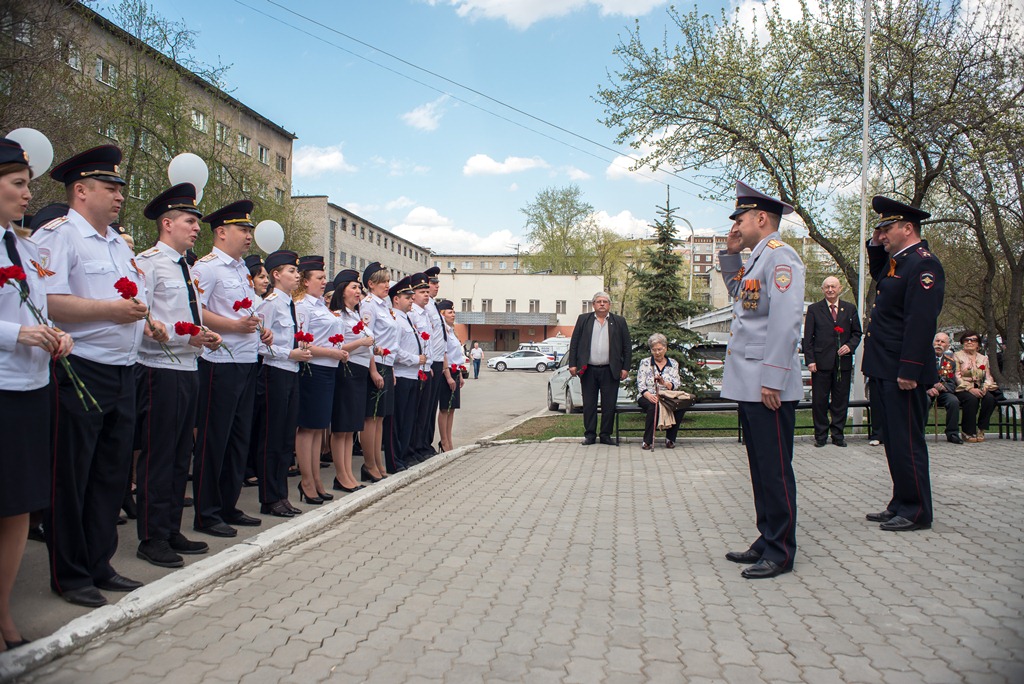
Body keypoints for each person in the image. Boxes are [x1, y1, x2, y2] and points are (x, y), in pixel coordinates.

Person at [37, 145, 160, 607]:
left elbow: (133, 305)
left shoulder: (117, 245)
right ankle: (70, 574)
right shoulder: (58, 236)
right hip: (80, 368)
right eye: (109, 188)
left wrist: (145, 320)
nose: (118, 196)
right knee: (72, 476)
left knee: (109, 474)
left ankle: (99, 562)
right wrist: (111, 310)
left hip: (124, 369)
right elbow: (47, 301)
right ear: (81, 190)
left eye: (120, 189)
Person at [0, 138, 75, 648]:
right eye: (18, 184)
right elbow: (17, 324)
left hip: (32, 385)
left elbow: (40, 311)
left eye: (28, 185)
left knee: (19, 505)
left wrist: (57, 334)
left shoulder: (29, 250)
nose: (28, 194)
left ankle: (3, 611)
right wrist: (16, 334)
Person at [718, 180, 805, 580]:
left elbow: (786, 323)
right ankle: (766, 536)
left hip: (767, 384)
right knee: (759, 465)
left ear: (760, 218)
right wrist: (731, 255)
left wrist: (772, 379)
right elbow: (741, 297)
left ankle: (781, 549)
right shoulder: (756, 259)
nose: (735, 225)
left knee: (774, 468)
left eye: (740, 218)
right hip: (751, 381)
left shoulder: (781, 258)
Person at [133, 183, 220, 568]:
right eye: (189, 221)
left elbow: (188, 315)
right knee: (159, 455)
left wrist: (206, 334)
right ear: (167, 224)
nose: (196, 227)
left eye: (197, 221)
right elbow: (141, 316)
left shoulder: (186, 266)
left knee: (179, 455)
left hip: (188, 366)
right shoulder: (149, 262)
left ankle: (170, 529)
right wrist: (168, 331)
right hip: (159, 369)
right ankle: (151, 537)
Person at [862, 195, 944, 532]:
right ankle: (900, 502)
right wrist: (875, 242)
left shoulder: (923, 264)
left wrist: (910, 369)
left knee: (908, 440)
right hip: (885, 366)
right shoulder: (899, 262)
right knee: (893, 439)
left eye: (887, 227)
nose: (883, 234)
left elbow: (920, 321)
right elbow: (880, 273)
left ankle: (917, 510)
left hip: (902, 370)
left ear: (907, 228)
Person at [191, 200, 272, 538]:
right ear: (221, 232)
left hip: (245, 360)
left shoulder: (241, 269)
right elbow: (196, 310)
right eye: (243, 229)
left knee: (239, 439)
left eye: (251, 229)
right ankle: (207, 513)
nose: (249, 235)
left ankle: (228, 504)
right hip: (218, 362)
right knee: (215, 440)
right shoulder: (206, 268)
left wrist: (260, 327)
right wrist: (231, 326)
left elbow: (249, 310)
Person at [253, 250, 311, 517]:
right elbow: (260, 346)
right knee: (272, 438)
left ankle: (281, 496)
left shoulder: (290, 304)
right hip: (274, 373)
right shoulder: (270, 303)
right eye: (291, 271)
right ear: (276, 275)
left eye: (297, 271)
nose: (297, 275)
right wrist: (290, 353)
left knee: (286, 437)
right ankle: (269, 497)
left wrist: (299, 348)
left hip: (291, 372)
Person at [293, 255, 347, 504]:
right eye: (319, 278)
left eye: (325, 277)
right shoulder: (303, 306)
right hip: (313, 370)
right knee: (308, 428)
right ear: (305, 281)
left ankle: (315, 478)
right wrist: (333, 352)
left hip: (327, 370)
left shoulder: (318, 305)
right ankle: (306, 481)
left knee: (318, 429)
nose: (324, 282)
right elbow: (304, 343)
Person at [802, 276, 862, 447]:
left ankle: (838, 435)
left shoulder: (849, 309)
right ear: (822, 289)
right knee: (819, 401)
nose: (830, 290)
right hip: (820, 364)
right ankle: (820, 436)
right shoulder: (814, 309)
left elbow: (857, 333)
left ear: (839, 288)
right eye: (827, 287)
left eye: (833, 287)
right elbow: (808, 338)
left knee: (840, 401)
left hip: (842, 364)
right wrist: (810, 360)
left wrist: (850, 346)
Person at [328, 269, 373, 492]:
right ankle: (341, 475)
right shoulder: (337, 315)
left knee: (351, 428)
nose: (358, 291)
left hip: (360, 371)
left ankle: (348, 474)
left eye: (359, 288)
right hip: (346, 369)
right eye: (354, 287)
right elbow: (336, 347)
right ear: (341, 291)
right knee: (342, 427)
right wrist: (362, 342)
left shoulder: (356, 315)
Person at [567, 291, 631, 446]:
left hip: (610, 370)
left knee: (609, 404)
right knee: (589, 404)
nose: (602, 304)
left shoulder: (619, 321)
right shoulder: (584, 320)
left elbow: (626, 347)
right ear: (593, 304)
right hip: (588, 370)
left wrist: (625, 368)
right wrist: (572, 364)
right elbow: (574, 343)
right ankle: (590, 435)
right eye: (599, 301)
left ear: (609, 305)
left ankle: (605, 435)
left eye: (605, 301)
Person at [359, 262, 398, 482]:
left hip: (386, 364)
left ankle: (378, 462)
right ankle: (369, 464)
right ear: (370, 284)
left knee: (380, 417)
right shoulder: (369, 306)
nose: (387, 285)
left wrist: (389, 368)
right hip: (374, 364)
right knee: (371, 417)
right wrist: (374, 370)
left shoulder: (384, 305)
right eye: (382, 281)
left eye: (387, 280)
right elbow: (368, 339)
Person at [385, 275, 427, 472]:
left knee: (408, 420)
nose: (412, 300)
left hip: (412, 375)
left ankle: (403, 456)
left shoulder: (407, 319)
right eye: (408, 297)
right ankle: (395, 460)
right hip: (401, 374)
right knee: (397, 421)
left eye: (412, 297)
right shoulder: (394, 319)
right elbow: (394, 349)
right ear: (396, 299)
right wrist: (415, 359)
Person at [636, 333, 685, 450]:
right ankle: (647, 441)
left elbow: (676, 384)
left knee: (680, 406)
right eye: (654, 350)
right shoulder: (645, 363)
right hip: (648, 395)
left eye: (660, 349)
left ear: (666, 348)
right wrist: (648, 395)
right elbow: (640, 384)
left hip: (666, 395)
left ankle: (670, 438)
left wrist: (664, 383)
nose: (657, 353)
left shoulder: (673, 363)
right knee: (653, 406)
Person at [953, 330, 999, 443]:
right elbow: (956, 376)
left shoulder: (983, 358)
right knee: (971, 399)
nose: (969, 342)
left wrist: (985, 387)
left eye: (973, 340)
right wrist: (969, 388)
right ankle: (967, 432)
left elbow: (988, 376)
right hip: (963, 387)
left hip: (980, 386)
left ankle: (981, 429)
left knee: (990, 399)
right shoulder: (957, 356)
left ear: (978, 343)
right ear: (962, 342)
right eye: (966, 340)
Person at [436, 299, 466, 453]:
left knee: (452, 408)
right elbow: (444, 354)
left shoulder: (451, 331)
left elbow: (456, 355)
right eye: (450, 312)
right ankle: (444, 441)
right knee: (444, 409)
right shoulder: (442, 332)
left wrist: (459, 374)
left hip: (454, 371)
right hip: (445, 372)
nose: (453, 314)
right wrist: (448, 376)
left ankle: (449, 439)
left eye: (453, 312)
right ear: (442, 314)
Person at [926, 332, 961, 444]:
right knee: (923, 400)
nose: (939, 344)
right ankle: (919, 433)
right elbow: (917, 378)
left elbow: (951, 382)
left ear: (947, 346)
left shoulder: (949, 362)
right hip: (926, 390)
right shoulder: (924, 359)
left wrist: (943, 387)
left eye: (942, 342)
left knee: (953, 401)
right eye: (937, 341)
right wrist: (929, 388)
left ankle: (952, 434)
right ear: (933, 342)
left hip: (942, 392)